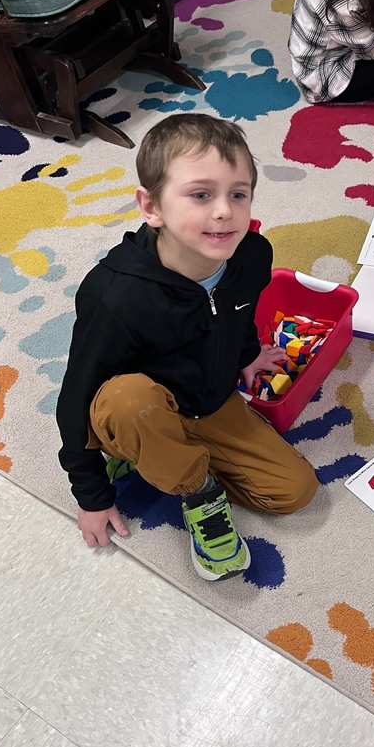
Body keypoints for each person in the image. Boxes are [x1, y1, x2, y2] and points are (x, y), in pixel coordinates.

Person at [56, 114, 319, 581]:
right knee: (129, 404)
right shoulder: (114, 295)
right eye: (201, 195)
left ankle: (162, 454)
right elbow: (75, 397)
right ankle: (196, 489)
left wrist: (248, 357)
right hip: (139, 404)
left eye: (238, 194)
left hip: (211, 403)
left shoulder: (253, 255)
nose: (224, 211)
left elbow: (238, 315)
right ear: (151, 207)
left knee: (295, 491)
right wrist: (91, 496)